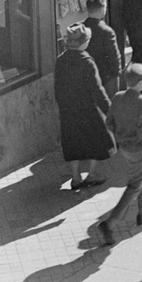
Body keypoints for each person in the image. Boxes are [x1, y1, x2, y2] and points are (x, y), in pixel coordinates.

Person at [99, 63, 142, 245]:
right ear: (140, 82)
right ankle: (110, 223)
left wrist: (119, 137)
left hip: (125, 148)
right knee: (135, 185)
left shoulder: (117, 98)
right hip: (140, 149)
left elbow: (109, 122)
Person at [54, 23, 114, 191]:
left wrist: (62, 106)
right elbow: (97, 89)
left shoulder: (61, 60)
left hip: (68, 109)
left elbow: (57, 87)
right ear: (83, 42)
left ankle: (75, 177)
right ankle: (91, 174)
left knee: (72, 141)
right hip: (87, 108)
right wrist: (109, 110)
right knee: (96, 140)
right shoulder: (87, 61)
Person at [83, 0, 121, 98]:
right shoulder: (107, 31)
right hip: (106, 78)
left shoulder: (81, 29)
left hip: (86, 78)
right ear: (102, 10)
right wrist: (116, 74)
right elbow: (114, 57)